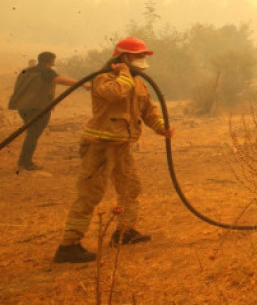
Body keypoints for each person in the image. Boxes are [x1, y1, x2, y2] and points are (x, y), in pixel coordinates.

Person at [53, 37, 174, 264]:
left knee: (131, 188)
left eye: (143, 56)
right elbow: (116, 93)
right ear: (123, 58)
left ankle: (124, 233)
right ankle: (68, 245)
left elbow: (147, 109)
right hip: (100, 146)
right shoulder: (103, 80)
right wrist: (125, 74)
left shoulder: (138, 83)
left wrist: (161, 127)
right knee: (90, 195)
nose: (143, 60)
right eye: (138, 56)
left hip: (122, 147)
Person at [7, 52, 86, 171]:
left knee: (31, 133)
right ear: (51, 61)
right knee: (33, 135)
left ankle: (25, 161)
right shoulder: (46, 71)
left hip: (22, 106)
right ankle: (25, 162)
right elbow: (61, 80)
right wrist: (83, 84)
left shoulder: (26, 71)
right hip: (38, 108)